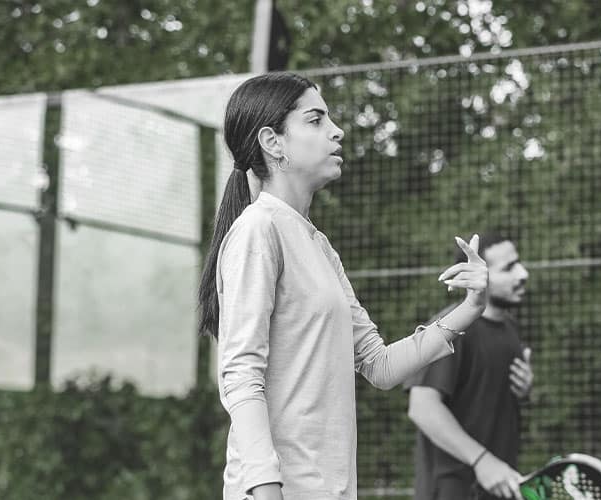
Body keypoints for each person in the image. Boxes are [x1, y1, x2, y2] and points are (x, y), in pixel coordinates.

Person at [197, 72, 493, 500]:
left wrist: (470, 308)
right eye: (316, 120)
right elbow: (241, 375)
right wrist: (266, 490)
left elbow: (380, 366)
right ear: (272, 142)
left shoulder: (318, 244)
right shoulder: (258, 230)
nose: (337, 131)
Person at [406, 232, 533, 500]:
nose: (523, 274)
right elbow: (422, 407)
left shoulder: (509, 328)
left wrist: (524, 393)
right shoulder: (451, 327)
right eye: (509, 268)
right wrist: (483, 461)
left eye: (518, 263)